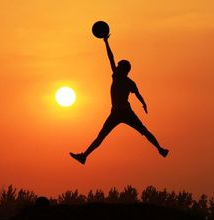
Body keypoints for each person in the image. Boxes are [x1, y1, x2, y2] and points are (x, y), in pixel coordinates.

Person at [70, 34, 169, 165]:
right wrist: (106, 43)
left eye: (119, 66)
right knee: (101, 136)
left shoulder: (124, 79)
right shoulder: (121, 78)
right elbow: (111, 58)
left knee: (143, 131)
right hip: (117, 112)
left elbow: (138, 94)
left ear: (124, 69)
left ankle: (160, 149)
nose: (116, 67)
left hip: (124, 112)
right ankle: (84, 156)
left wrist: (143, 103)